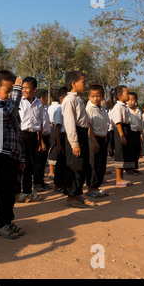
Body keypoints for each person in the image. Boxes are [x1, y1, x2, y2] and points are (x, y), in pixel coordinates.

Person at [0, 70, 26, 238]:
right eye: (8, 91)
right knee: (2, 192)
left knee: (11, 192)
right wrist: (18, 91)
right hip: (2, 155)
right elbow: (10, 112)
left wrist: (22, 157)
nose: (11, 95)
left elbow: (19, 133)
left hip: (14, 155)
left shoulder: (12, 106)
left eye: (13, 91)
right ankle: (1, 224)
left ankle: (8, 221)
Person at [62, 71, 97, 208]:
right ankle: (71, 197)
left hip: (82, 134)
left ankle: (78, 193)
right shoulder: (69, 100)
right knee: (75, 165)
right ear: (73, 83)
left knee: (82, 165)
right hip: (74, 135)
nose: (85, 84)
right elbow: (69, 122)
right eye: (83, 81)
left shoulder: (79, 99)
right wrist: (74, 143)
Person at [17, 76, 44, 203]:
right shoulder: (19, 101)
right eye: (22, 88)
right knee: (19, 165)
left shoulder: (39, 103)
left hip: (33, 136)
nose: (24, 90)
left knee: (30, 165)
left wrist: (40, 140)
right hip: (21, 135)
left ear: (34, 89)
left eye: (27, 88)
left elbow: (41, 122)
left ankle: (27, 191)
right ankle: (17, 192)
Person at [85, 83, 109, 198]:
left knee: (101, 164)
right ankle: (91, 188)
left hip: (102, 138)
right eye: (93, 96)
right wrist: (94, 141)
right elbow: (89, 126)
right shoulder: (89, 108)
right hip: (93, 139)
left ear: (102, 96)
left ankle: (97, 186)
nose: (95, 98)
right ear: (89, 97)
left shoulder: (103, 109)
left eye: (98, 96)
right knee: (93, 164)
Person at [109, 85, 134, 187]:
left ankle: (122, 178)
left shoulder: (124, 106)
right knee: (119, 154)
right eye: (126, 93)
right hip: (121, 130)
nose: (128, 95)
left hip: (126, 129)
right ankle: (118, 179)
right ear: (119, 95)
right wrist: (121, 135)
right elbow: (117, 122)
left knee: (124, 154)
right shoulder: (118, 107)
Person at [33, 88, 51, 193]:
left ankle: (41, 181)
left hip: (45, 136)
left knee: (43, 161)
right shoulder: (38, 108)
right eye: (46, 97)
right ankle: (37, 183)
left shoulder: (45, 109)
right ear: (41, 98)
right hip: (40, 137)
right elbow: (37, 125)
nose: (47, 99)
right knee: (38, 162)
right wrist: (41, 141)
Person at [53, 87, 68, 194]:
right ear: (62, 99)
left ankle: (65, 183)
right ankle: (57, 184)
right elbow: (57, 127)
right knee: (61, 161)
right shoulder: (60, 109)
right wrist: (58, 143)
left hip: (68, 136)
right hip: (62, 137)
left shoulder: (69, 109)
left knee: (67, 162)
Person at [126, 92, 143, 176]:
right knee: (130, 151)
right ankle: (129, 169)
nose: (130, 102)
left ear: (136, 101)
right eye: (128, 100)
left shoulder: (138, 111)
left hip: (137, 132)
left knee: (137, 150)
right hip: (130, 132)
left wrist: (141, 134)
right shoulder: (126, 110)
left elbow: (141, 122)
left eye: (132, 100)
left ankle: (135, 168)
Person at [47, 88, 61, 179]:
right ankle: (51, 172)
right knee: (54, 147)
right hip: (55, 127)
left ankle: (53, 171)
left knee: (53, 147)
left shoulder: (49, 107)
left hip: (51, 127)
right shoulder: (59, 107)